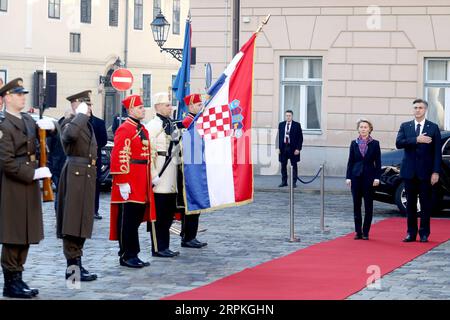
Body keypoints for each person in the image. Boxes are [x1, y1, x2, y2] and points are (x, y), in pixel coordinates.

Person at [0, 78, 54, 298]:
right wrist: (32, 173)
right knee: (13, 234)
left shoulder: (27, 120)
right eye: (19, 94)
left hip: (29, 184)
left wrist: (51, 128)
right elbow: (6, 161)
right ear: (7, 98)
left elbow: (41, 139)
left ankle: (19, 278)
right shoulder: (3, 125)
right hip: (14, 184)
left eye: (23, 94)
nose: (23, 97)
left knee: (26, 232)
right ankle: (10, 282)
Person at [56, 90, 98, 281]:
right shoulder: (69, 122)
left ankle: (78, 264)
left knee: (83, 222)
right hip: (75, 175)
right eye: (85, 105)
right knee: (72, 224)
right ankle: (73, 271)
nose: (89, 108)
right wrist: (79, 114)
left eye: (89, 105)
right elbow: (69, 136)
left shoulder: (85, 124)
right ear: (76, 104)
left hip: (86, 176)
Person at [109, 94, 154, 268]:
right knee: (128, 220)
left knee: (135, 219)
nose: (143, 109)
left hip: (141, 178)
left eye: (143, 107)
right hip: (130, 179)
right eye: (140, 107)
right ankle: (127, 254)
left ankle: (133, 253)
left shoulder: (140, 128)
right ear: (131, 110)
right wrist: (122, 181)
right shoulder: (125, 129)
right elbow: (119, 156)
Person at [396, 99, 441, 243]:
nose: (417, 110)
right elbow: (399, 143)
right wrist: (416, 139)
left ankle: (424, 233)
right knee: (410, 204)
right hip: (409, 172)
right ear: (412, 109)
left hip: (426, 173)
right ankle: (411, 232)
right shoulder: (405, 126)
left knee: (425, 204)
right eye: (415, 107)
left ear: (425, 110)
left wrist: (436, 172)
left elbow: (436, 153)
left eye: (420, 108)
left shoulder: (433, 127)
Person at [145, 92, 180, 258]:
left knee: (167, 215)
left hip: (171, 175)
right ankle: (158, 247)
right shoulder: (153, 126)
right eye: (167, 105)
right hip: (160, 172)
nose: (170, 107)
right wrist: (153, 174)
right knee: (158, 215)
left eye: (170, 104)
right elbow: (149, 153)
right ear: (158, 107)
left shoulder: (171, 124)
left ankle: (165, 245)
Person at [178, 93, 208, 249]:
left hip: (197, 165)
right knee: (192, 203)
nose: (200, 107)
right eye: (197, 105)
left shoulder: (197, 121)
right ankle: (188, 236)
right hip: (190, 168)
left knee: (196, 204)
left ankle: (191, 235)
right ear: (190, 106)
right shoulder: (187, 123)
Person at [345, 119, 381, 240]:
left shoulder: (375, 144)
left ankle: (366, 232)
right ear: (358, 129)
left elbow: (378, 162)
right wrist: (348, 177)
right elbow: (350, 161)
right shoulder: (353, 143)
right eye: (361, 127)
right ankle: (358, 232)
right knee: (356, 205)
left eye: (365, 127)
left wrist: (377, 177)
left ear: (370, 129)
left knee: (368, 206)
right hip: (355, 177)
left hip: (369, 178)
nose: (363, 129)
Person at [276, 110, 303, 188]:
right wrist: (277, 147)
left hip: (293, 148)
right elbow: (278, 137)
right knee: (283, 165)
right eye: (287, 115)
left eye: (289, 115)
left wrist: (298, 149)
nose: (288, 117)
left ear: (292, 116)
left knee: (294, 165)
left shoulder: (297, 125)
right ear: (285, 116)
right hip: (283, 147)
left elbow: (300, 138)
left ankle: (294, 182)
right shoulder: (281, 125)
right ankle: (284, 182)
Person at [90, 110, 108, 220]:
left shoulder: (99, 122)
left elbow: (104, 141)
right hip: (81, 159)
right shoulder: (77, 122)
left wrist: (94, 146)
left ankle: (94, 210)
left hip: (95, 158)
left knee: (95, 185)